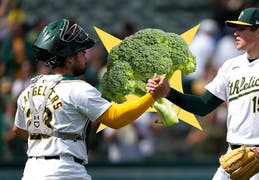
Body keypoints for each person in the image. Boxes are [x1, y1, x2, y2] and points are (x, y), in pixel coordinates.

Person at [147, 8, 259, 180]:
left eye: (242, 28)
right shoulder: (231, 66)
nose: (235, 33)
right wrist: (168, 93)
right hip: (233, 155)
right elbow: (204, 105)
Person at [12, 18, 167, 180]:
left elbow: (19, 129)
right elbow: (115, 118)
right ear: (70, 58)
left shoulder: (29, 90)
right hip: (65, 171)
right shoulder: (78, 88)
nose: (86, 56)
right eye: (81, 52)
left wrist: (45, 144)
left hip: (31, 171)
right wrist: (153, 96)